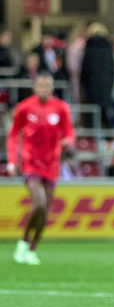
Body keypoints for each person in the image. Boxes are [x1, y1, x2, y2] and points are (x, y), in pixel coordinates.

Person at [6, 72, 75, 265]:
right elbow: (13, 135)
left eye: (47, 85)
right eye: (40, 85)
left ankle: (31, 248)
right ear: (34, 87)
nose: (44, 88)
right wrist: (12, 161)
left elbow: (69, 131)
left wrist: (68, 141)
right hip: (31, 163)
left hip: (51, 164)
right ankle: (22, 243)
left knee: (45, 213)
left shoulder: (60, 108)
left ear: (52, 88)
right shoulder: (25, 107)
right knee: (38, 203)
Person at [80, 22, 114, 127]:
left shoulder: (89, 48)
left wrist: (84, 84)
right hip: (105, 86)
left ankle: (90, 139)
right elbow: (112, 70)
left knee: (91, 114)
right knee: (105, 114)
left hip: (91, 86)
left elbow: (85, 70)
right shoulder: (108, 49)